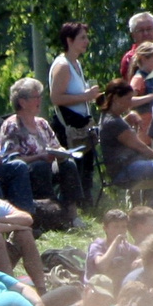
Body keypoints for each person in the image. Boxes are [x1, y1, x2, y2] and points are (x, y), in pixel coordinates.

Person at [0, 77, 84, 223]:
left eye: (40, 96)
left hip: (49, 163)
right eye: (35, 97)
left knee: (68, 164)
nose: (40, 100)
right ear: (22, 102)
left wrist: (61, 153)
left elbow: (55, 146)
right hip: (28, 170)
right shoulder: (12, 126)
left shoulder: (42, 123)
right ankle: (50, 213)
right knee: (41, 166)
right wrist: (39, 157)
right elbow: (10, 159)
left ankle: (72, 213)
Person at [48, 22, 102, 196]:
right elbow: (56, 98)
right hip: (68, 126)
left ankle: (87, 207)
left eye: (87, 37)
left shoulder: (76, 63)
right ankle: (72, 208)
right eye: (82, 38)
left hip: (81, 124)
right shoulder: (63, 65)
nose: (87, 41)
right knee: (73, 169)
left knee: (86, 169)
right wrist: (85, 96)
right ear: (69, 40)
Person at [99, 80, 153, 192]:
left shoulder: (107, 117)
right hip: (125, 171)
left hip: (127, 168)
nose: (130, 103)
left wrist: (129, 117)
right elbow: (142, 148)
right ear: (115, 98)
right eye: (128, 99)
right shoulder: (114, 123)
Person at [86, 209, 140, 288]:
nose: (120, 230)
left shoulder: (125, 246)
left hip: (117, 287)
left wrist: (142, 259)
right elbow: (101, 266)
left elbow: (144, 252)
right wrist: (115, 243)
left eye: (123, 227)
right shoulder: (97, 245)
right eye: (116, 227)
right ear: (105, 228)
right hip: (96, 287)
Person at [119, 11, 153, 79]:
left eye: (149, 29)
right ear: (133, 34)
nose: (145, 33)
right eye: (140, 30)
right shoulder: (130, 58)